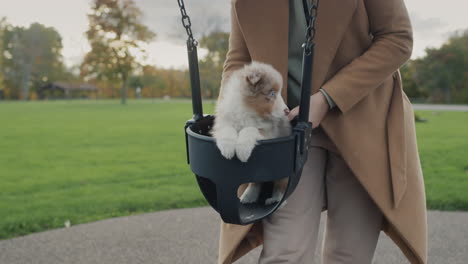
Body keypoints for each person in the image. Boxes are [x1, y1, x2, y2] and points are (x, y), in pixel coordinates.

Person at [218, 0, 428, 263]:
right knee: (285, 252)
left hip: (363, 121)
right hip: (288, 131)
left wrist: (327, 98)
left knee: (349, 253)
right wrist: (230, 118)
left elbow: (398, 38)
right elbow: (239, 59)